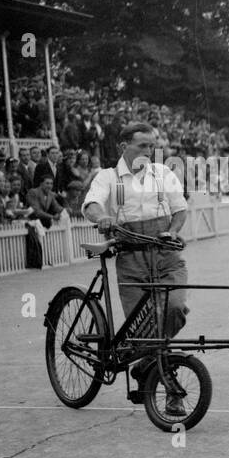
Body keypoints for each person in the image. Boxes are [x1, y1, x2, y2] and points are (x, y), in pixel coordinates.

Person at [80, 121, 189, 415]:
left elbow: (180, 209)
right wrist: (102, 217)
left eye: (152, 145)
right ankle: (170, 391)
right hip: (131, 259)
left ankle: (144, 364)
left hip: (165, 255)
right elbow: (91, 204)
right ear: (122, 147)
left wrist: (175, 231)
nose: (149, 151)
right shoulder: (109, 177)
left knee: (174, 309)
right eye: (142, 145)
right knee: (144, 326)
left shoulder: (163, 173)